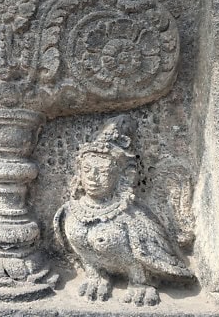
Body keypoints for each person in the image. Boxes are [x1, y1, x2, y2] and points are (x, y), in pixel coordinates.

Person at [54, 115, 193, 306]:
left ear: (123, 175)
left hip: (140, 277)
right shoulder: (68, 213)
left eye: (103, 172)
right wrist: (95, 275)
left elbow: (149, 256)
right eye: (87, 170)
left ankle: (140, 282)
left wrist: (142, 281)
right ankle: (97, 276)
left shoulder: (132, 217)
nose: (93, 178)